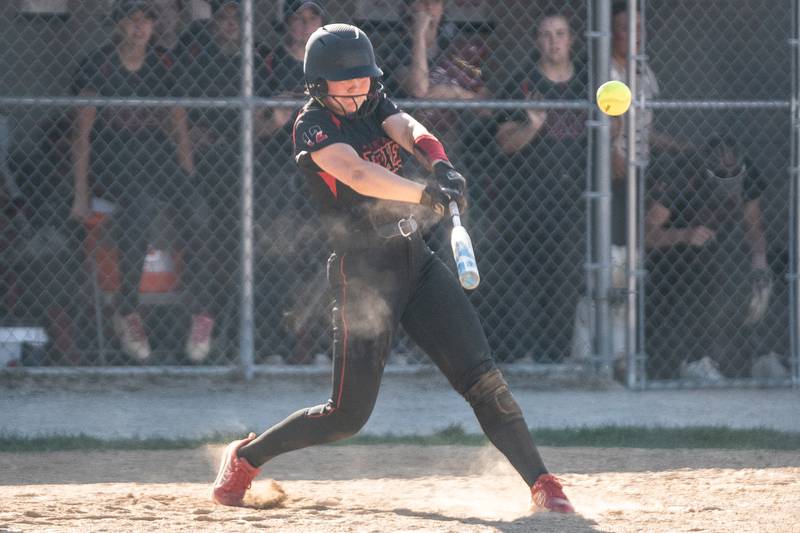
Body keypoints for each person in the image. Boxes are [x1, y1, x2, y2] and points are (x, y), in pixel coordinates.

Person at [210, 24, 574, 514]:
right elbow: (358, 173)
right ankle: (246, 459)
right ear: (319, 85)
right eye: (346, 82)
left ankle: (544, 484)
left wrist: (439, 162)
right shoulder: (312, 125)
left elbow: (409, 128)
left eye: (363, 79)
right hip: (361, 276)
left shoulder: (372, 100)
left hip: (414, 260)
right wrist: (424, 192)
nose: (358, 89)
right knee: (345, 417)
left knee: (483, 379)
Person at [70, 0, 214, 363]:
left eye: (146, 19)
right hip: (113, 154)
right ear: (118, 24)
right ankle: (127, 310)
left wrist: (188, 176)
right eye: (132, 19)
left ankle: (202, 312)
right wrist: (80, 194)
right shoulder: (97, 64)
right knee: (140, 204)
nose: (140, 27)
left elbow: (178, 124)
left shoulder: (163, 64)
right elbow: (82, 134)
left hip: (156, 154)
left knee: (197, 209)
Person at [643, 135, 782, 380]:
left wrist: (760, 261)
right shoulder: (683, 176)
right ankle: (695, 360)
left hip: (722, 247)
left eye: (733, 170)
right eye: (721, 170)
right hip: (674, 252)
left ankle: (762, 356)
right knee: (708, 269)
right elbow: (644, 235)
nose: (728, 175)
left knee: (775, 268)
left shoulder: (748, 174)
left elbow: (753, 226)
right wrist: (685, 234)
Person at [493, 11, 588, 362]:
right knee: (526, 281)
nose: (554, 41)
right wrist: (532, 127)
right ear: (537, 42)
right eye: (546, 35)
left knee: (565, 280)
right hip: (528, 199)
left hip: (574, 199)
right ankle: (523, 356)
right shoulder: (522, 83)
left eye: (560, 34)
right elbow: (504, 143)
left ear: (571, 39)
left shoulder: (588, 84)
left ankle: (556, 358)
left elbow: (608, 140)